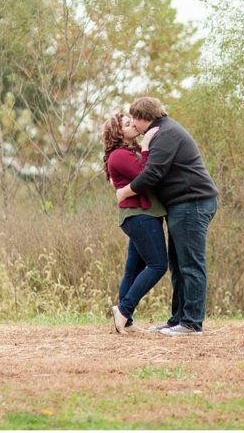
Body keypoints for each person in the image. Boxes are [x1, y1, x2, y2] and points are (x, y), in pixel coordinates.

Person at [115, 97, 218, 337]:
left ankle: (192, 323)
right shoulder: (163, 132)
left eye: (135, 121)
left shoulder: (165, 134)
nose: (135, 127)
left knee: (190, 263)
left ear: (143, 119)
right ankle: (178, 320)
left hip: (192, 202)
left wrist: (124, 191)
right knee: (178, 264)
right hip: (181, 204)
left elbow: (152, 174)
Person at [102, 113, 167, 335]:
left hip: (140, 215)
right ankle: (124, 309)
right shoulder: (119, 155)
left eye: (133, 122)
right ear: (118, 133)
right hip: (139, 215)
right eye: (127, 124)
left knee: (133, 269)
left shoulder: (129, 152)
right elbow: (144, 175)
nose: (133, 125)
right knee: (158, 265)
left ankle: (125, 322)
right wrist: (147, 145)